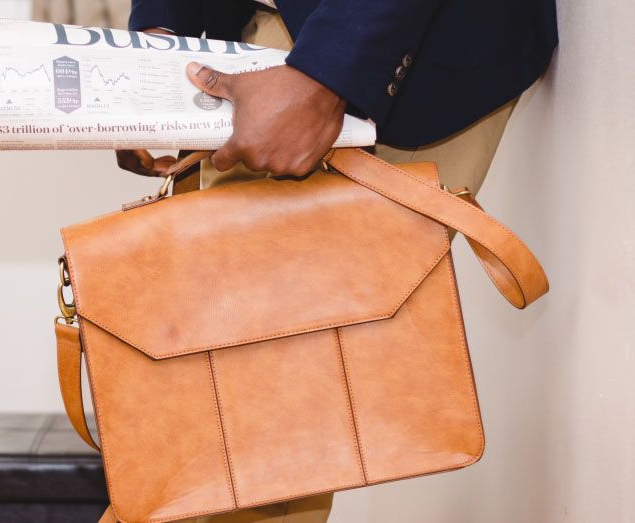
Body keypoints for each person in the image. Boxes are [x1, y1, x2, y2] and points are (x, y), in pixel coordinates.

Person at [113, 0, 558, 521]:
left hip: (375, 39)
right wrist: (160, 41)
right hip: (248, 43)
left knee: (261, 430)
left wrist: (327, 72)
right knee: (218, 406)